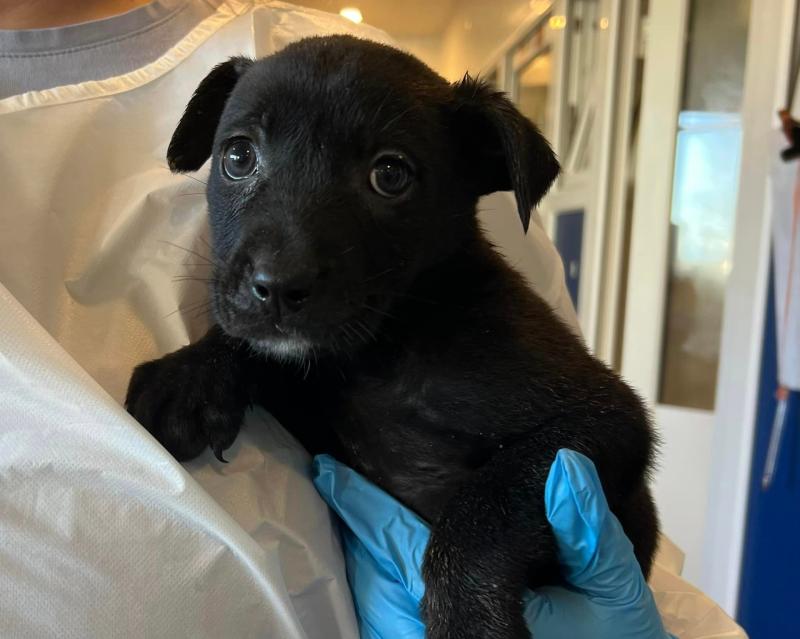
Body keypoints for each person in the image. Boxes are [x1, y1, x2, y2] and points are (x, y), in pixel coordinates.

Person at [0, 2, 746, 638]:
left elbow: (610, 422)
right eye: (240, 159)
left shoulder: (474, 329)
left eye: (387, 174)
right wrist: (226, 358)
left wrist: (469, 559)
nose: (277, 269)